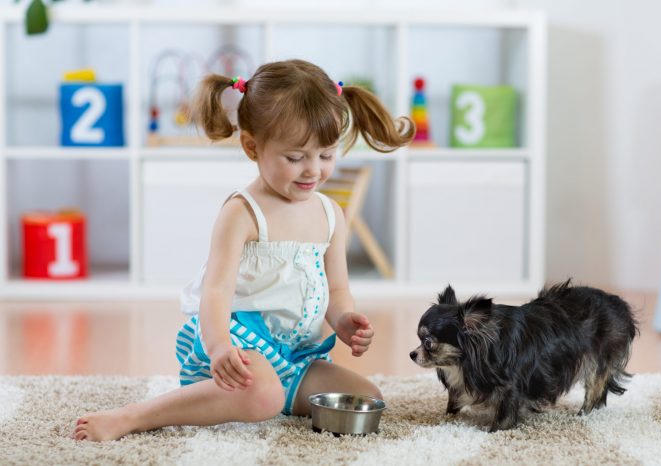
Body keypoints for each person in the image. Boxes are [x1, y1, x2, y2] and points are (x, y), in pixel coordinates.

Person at [73, 59, 415, 441]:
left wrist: (344, 319)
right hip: (236, 352)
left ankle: (260, 398)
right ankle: (136, 416)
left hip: (296, 355)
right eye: (295, 157)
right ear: (253, 146)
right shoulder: (242, 213)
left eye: (326, 155)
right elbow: (215, 291)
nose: (313, 171)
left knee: (366, 397)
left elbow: (336, 290)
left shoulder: (330, 214)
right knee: (262, 391)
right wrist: (219, 347)